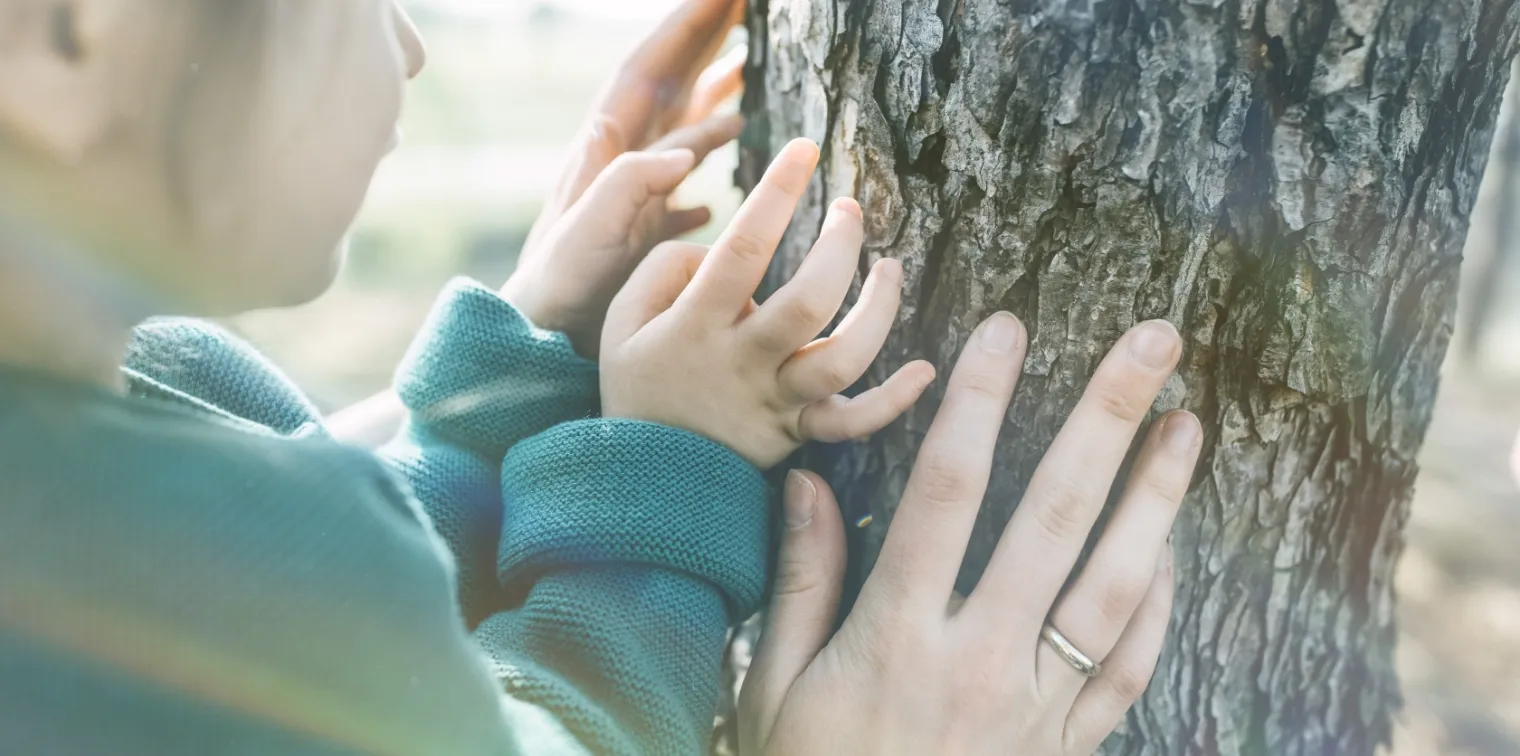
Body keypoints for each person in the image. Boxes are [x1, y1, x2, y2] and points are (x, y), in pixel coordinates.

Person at [0, 1, 1200, 755]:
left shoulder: (103, 432)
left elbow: (272, 626)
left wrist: (513, 373)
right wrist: (666, 471)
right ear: (70, 34)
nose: (410, 44)